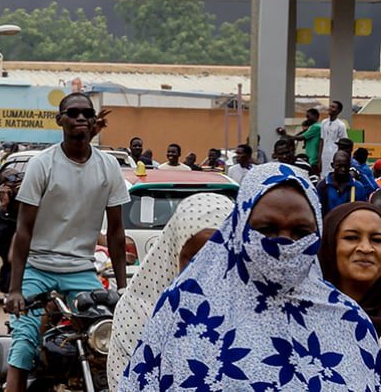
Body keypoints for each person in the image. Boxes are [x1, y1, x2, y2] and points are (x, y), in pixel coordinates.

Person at [121, 163, 381, 390]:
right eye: (267, 229)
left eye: (300, 232)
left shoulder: (349, 321)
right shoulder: (185, 310)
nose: (284, 244)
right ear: (239, 230)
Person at [4, 93, 129, 392]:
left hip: (82, 272)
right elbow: (23, 231)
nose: (81, 118)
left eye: (87, 113)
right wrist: (16, 289)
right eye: (73, 113)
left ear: (94, 120)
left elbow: (115, 232)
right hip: (39, 268)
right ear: (60, 120)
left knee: (105, 343)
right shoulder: (42, 165)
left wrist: (123, 289)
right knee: (23, 344)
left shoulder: (109, 167)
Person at [106, 193, 233, 390]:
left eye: (219, 257)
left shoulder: (253, 311)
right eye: (193, 259)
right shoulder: (138, 312)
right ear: (174, 253)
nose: (206, 271)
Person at [318, 202, 381, 330]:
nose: (366, 248)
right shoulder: (303, 316)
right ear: (329, 245)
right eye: (351, 238)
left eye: (377, 240)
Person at [318, 149, 376, 214]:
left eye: (346, 166)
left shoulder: (358, 187)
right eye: (339, 166)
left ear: (350, 166)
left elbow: (361, 212)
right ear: (332, 165)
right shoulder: (323, 186)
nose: (343, 169)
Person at [318, 101, 349, 178]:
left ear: (338, 111)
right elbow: (322, 140)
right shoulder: (324, 123)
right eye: (330, 106)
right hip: (324, 156)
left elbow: (344, 143)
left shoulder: (341, 125)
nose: (330, 108)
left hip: (335, 156)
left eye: (333, 107)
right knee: (323, 177)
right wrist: (319, 158)